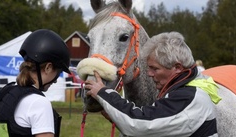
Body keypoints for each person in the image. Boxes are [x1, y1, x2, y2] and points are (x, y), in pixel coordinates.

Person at [84, 32, 220, 136]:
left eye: (155, 68)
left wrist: (103, 92)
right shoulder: (184, 91)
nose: (149, 74)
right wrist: (116, 118)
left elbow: (141, 124)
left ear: (177, 68)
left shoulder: (189, 97)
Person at [0, 29, 71, 137]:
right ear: (48, 67)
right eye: (58, 72)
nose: (56, 80)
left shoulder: (3, 95)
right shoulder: (39, 103)